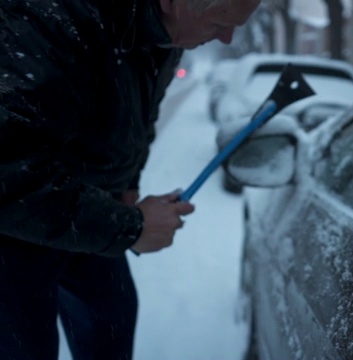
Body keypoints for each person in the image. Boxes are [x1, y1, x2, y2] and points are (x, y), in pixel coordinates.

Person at [0, 0, 260, 358]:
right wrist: (129, 227)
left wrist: (127, 183)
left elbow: (141, 114)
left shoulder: (167, 35)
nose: (228, 39)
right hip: (16, 228)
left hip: (91, 205)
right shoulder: (46, 18)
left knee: (111, 327)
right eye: (218, 23)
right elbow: (7, 171)